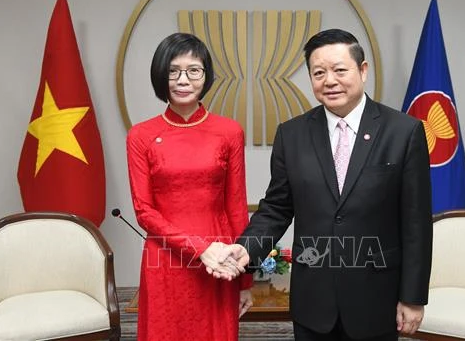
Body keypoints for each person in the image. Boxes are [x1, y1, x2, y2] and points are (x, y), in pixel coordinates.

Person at [219, 29, 433, 340]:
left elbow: (416, 222)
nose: (329, 80)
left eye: (339, 70)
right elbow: (277, 209)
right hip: (313, 300)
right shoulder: (291, 135)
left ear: (362, 70)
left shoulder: (404, 131)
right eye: (318, 73)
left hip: (377, 297)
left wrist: (413, 297)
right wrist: (245, 249)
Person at [126, 32, 253, 341]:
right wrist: (201, 249)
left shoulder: (229, 131)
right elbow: (144, 212)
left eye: (193, 70)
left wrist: (245, 280)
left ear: (205, 76)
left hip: (220, 259)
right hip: (166, 259)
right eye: (173, 70)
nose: (183, 79)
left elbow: (236, 205)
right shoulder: (140, 135)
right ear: (161, 75)